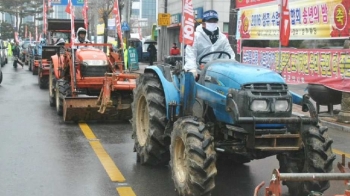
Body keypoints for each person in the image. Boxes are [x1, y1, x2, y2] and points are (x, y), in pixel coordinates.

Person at [184, 9, 235, 78]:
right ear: (203, 23)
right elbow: (190, 55)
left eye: (214, 21)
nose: (212, 23)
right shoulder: (195, 37)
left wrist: (231, 67)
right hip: (199, 73)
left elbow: (230, 54)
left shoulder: (222, 38)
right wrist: (192, 69)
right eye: (209, 21)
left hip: (217, 73)